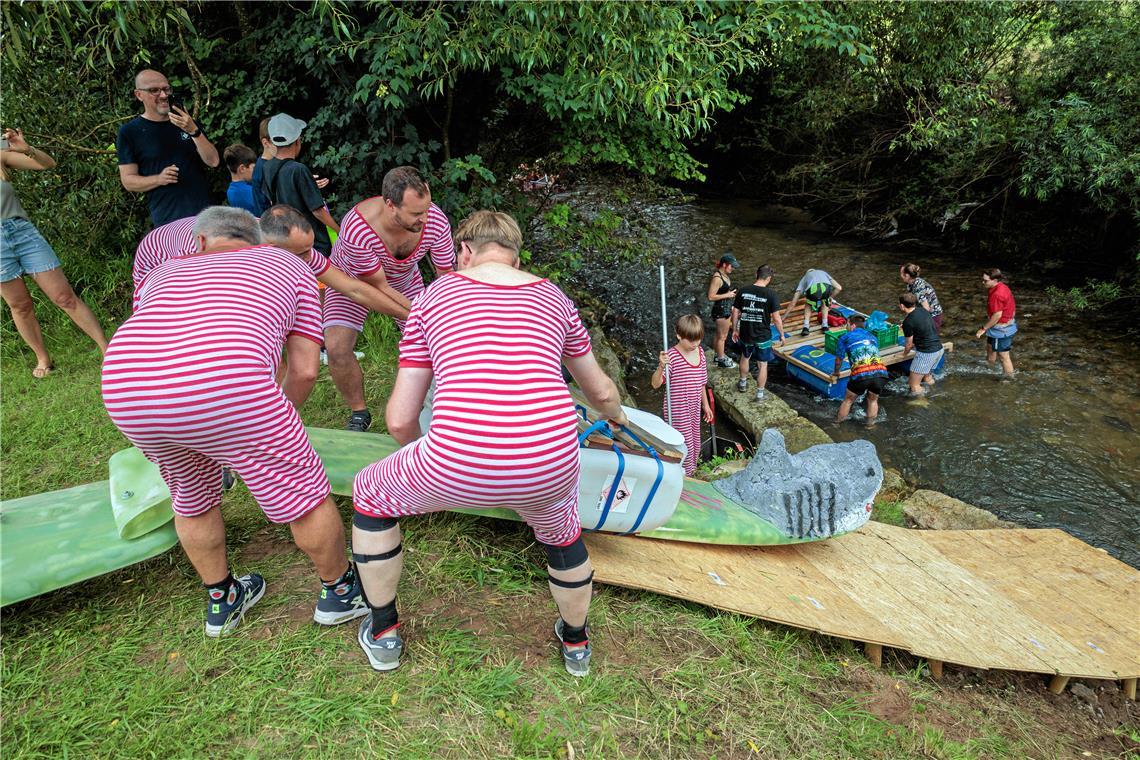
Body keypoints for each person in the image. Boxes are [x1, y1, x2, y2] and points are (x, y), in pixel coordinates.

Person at [349, 210, 626, 676]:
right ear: (516, 257)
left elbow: (399, 420)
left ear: (464, 253)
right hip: (550, 460)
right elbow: (599, 393)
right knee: (562, 530)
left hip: (456, 458)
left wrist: (429, 463)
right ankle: (576, 643)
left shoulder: (435, 295)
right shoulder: (554, 298)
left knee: (371, 493)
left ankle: (383, 632)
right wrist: (616, 418)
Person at [102, 207, 366, 637]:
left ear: (201, 242)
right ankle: (340, 591)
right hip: (225, 383)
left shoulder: (161, 272)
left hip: (127, 387)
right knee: (303, 493)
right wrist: (269, 424)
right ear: (259, 241)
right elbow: (303, 370)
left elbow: (160, 334)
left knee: (188, 492)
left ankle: (222, 601)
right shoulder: (285, 263)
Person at [326, 166, 454, 432]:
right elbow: (377, 288)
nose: (426, 218)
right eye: (417, 213)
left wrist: (443, 315)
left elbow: (446, 277)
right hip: (351, 279)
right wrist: (420, 313)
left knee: (433, 346)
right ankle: (359, 413)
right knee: (337, 349)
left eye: (428, 208)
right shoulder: (358, 228)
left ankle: (428, 407)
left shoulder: (436, 220)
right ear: (390, 205)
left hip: (404, 280)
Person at [130, 207, 411, 321]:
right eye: (301, 255)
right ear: (270, 248)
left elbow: (353, 288)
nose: (307, 260)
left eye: (309, 250)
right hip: (160, 255)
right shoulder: (230, 257)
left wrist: (413, 315)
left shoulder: (294, 246)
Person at [1, 128, 108, 376]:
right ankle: (43, 359)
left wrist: (25, 148)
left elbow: (47, 164)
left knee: (64, 297)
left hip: (21, 232)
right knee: (19, 305)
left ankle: (106, 349)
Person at [117, 69, 219, 226]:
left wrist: (194, 131)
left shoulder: (186, 122)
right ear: (139, 95)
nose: (164, 95)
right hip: (168, 220)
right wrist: (159, 179)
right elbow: (128, 181)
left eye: (166, 89)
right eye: (154, 91)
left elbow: (213, 161)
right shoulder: (129, 132)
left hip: (206, 217)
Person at [260, 113, 338, 255]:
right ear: (297, 141)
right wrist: (340, 231)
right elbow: (318, 211)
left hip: (290, 241)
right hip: (314, 242)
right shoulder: (298, 169)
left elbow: (275, 199)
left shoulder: (267, 167)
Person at [651, 314, 713, 476]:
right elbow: (655, 384)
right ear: (679, 336)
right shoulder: (671, 357)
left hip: (693, 408)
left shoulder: (699, 352)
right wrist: (660, 367)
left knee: (696, 444)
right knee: (685, 447)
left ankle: (689, 472)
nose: (695, 344)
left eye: (698, 339)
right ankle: (686, 476)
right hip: (678, 411)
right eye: (691, 340)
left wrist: (705, 405)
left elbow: (701, 382)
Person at [731, 264, 785, 402]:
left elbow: (735, 311)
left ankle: (742, 383)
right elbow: (777, 319)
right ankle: (760, 394)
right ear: (769, 278)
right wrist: (782, 335)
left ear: (757, 274)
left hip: (746, 332)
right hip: (763, 336)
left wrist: (735, 329)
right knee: (763, 364)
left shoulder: (743, 291)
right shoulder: (771, 294)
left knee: (745, 356)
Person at [832, 314, 889, 425]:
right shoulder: (873, 337)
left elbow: (839, 360)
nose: (846, 327)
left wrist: (836, 373)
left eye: (847, 324)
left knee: (848, 400)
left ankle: (837, 424)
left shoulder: (845, 337)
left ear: (852, 325)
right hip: (880, 373)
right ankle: (870, 425)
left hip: (861, 374)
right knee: (873, 400)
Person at [899, 292, 944, 395]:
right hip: (938, 349)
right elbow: (922, 328)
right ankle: (935, 394)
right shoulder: (923, 310)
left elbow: (909, 345)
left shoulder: (908, 322)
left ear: (902, 306)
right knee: (927, 377)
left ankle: (922, 404)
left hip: (926, 354)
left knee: (914, 385)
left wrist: (904, 354)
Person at [976, 268, 1017, 378]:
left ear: (995, 280)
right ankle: (990, 366)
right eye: (982, 280)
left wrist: (983, 328)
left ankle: (1009, 378)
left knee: (1004, 356)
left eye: (985, 280)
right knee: (990, 347)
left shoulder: (997, 294)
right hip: (999, 325)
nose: (983, 282)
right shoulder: (1001, 286)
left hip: (1001, 329)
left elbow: (997, 315)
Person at [783, 268, 842, 337]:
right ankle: (825, 326)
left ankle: (806, 327)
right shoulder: (823, 272)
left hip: (813, 290)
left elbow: (793, 302)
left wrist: (783, 318)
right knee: (825, 301)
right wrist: (830, 298)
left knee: (808, 304)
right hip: (826, 288)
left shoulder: (805, 277)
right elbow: (839, 288)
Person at [706, 252, 738, 367]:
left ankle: (717, 355)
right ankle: (721, 360)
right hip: (721, 311)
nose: (733, 268)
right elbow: (710, 296)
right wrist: (728, 295)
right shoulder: (717, 277)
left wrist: (730, 296)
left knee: (719, 335)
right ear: (724, 265)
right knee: (722, 337)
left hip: (725, 308)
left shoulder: (724, 275)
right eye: (731, 266)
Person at [900, 263, 944, 332]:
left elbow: (926, 309)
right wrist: (906, 321)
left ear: (907, 276)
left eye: (902, 274)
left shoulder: (919, 287)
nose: (900, 276)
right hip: (923, 315)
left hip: (933, 317)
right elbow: (911, 305)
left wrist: (912, 321)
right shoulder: (910, 284)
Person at [224, 143, 258, 214]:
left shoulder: (231, 190)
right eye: (254, 168)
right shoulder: (249, 191)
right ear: (242, 168)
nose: (256, 171)